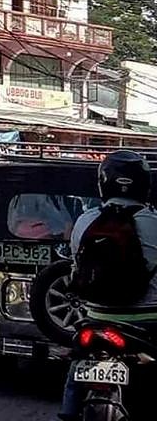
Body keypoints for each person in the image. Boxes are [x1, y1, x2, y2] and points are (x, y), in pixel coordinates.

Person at [59, 151, 157, 421]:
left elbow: (76, 269)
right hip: (148, 322)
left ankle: (68, 411)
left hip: (97, 319)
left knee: (78, 360)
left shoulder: (85, 221)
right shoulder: (154, 222)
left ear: (103, 182)